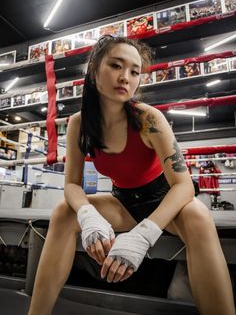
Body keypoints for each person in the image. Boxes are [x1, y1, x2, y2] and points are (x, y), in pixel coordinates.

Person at [28, 35, 235, 315]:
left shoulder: (149, 119)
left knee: (199, 216)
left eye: (134, 71)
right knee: (65, 212)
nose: (125, 77)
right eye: (116, 66)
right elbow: (72, 186)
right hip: (123, 201)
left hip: (166, 202)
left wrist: (144, 234)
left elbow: (184, 186)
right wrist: (89, 216)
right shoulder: (79, 124)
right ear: (94, 70)